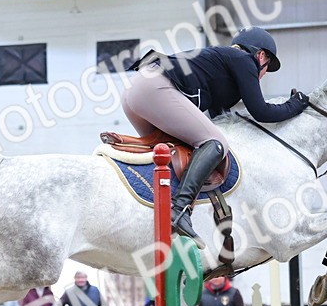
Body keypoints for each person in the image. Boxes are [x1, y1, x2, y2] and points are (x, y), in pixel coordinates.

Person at [121, 27, 311, 244]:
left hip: (134, 93)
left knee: (176, 156)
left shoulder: (221, 64)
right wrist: (296, 104)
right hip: (154, 88)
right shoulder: (244, 60)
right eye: (267, 67)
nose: (264, 73)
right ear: (261, 56)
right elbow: (261, 112)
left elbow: (219, 118)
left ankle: (152, 209)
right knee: (216, 143)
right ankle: (180, 209)